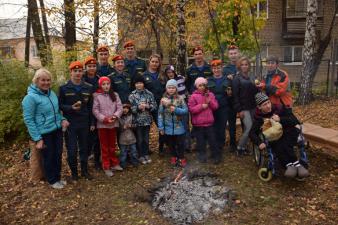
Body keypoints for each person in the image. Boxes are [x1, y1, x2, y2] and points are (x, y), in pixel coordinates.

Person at [22, 68, 69, 189]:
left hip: (57, 130)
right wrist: (38, 138)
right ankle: (52, 180)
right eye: (43, 80)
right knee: (49, 156)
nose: (46, 83)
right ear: (36, 81)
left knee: (58, 155)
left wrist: (62, 119)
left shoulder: (51, 93)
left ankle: (57, 177)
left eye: (48, 80)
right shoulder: (30, 98)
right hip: (44, 134)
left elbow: (56, 112)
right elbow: (29, 120)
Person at [250, 92, 309, 178]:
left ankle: (295, 165)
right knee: (276, 143)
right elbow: (252, 133)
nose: (268, 106)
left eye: (268, 103)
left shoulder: (280, 108)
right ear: (259, 107)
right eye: (264, 105)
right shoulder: (259, 118)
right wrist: (259, 142)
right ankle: (290, 166)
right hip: (275, 138)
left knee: (284, 141)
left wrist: (280, 119)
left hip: (289, 132)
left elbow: (294, 120)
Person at [59, 61, 94, 181]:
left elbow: (91, 107)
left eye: (80, 71)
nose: (78, 73)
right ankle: (74, 173)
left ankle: (85, 171)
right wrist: (70, 108)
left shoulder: (88, 87)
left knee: (84, 148)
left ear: (82, 72)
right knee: (72, 150)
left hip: (84, 123)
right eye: (75, 71)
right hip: (71, 124)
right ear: (71, 73)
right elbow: (60, 105)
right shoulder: (63, 88)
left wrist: (92, 123)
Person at [92, 76, 123, 176]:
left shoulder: (115, 95)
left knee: (112, 145)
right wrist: (104, 119)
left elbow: (120, 107)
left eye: (107, 84)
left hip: (113, 124)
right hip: (102, 126)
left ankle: (114, 163)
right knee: (104, 147)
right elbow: (95, 110)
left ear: (110, 84)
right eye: (103, 84)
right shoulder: (97, 96)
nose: (106, 86)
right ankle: (106, 166)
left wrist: (115, 116)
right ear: (100, 85)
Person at [188, 77, 219, 164]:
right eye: (200, 85)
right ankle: (202, 157)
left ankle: (215, 156)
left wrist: (210, 102)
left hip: (209, 123)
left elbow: (216, 107)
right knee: (200, 142)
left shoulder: (210, 95)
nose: (202, 87)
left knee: (213, 141)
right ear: (196, 86)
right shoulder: (193, 96)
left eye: (203, 85)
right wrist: (201, 106)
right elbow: (191, 109)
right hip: (198, 125)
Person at [158, 79, 189, 167]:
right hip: (168, 127)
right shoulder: (163, 100)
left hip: (179, 126)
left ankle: (181, 157)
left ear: (176, 89)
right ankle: (173, 156)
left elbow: (186, 111)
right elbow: (160, 114)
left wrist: (176, 109)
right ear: (166, 89)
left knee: (180, 144)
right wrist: (161, 127)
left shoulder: (180, 99)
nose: (171, 89)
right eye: (169, 88)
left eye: (173, 88)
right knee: (171, 144)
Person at [232, 57, 258, 156]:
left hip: (253, 107)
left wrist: (259, 86)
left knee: (253, 127)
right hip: (244, 108)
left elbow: (255, 92)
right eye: (242, 64)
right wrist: (239, 110)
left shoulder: (252, 77)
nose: (244, 66)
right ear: (239, 66)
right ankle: (239, 148)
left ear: (249, 66)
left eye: (246, 64)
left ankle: (244, 147)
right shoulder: (237, 78)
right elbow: (235, 96)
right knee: (249, 127)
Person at [128, 75, 157, 165]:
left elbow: (155, 105)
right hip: (137, 121)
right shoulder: (132, 95)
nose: (139, 85)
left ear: (143, 84)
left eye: (140, 83)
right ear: (134, 84)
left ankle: (146, 154)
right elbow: (130, 109)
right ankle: (140, 155)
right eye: (137, 83)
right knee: (139, 139)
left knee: (146, 138)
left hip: (147, 120)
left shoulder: (149, 94)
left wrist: (149, 106)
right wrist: (138, 108)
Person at [143, 54, 166, 154]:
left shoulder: (162, 75)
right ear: (149, 62)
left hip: (160, 104)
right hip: (148, 105)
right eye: (153, 61)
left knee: (161, 125)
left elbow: (167, 89)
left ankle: (161, 147)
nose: (155, 63)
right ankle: (145, 149)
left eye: (157, 62)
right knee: (146, 127)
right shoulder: (143, 76)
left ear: (159, 63)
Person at [164, 65, 190, 152]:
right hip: (172, 105)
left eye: (171, 72)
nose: (170, 74)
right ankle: (175, 146)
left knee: (185, 124)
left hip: (182, 102)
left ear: (174, 72)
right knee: (175, 125)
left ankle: (186, 145)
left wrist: (187, 95)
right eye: (168, 73)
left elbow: (186, 85)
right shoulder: (167, 82)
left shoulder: (180, 78)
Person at [207, 59, 231, 155]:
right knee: (212, 127)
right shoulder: (208, 80)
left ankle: (220, 147)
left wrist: (230, 94)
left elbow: (231, 93)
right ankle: (213, 146)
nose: (216, 70)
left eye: (218, 68)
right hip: (211, 108)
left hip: (223, 108)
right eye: (214, 68)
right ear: (212, 69)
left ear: (222, 68)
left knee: (221, 127)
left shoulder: (227, 80)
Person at [83, 56, 101, 169]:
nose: (92, 68)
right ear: (86, 67)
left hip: (98, 109)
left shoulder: (99, 79)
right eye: (89, 66)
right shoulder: (82, 79)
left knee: (97, 137)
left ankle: (97, 160)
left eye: (94, 66)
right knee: (87, 137)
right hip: (86, 110)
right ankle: (87, 157)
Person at [222, 45, 240, 152]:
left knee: (244, 122)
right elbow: (224, 83)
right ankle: (232, 144)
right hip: (230, 100)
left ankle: (244, 143)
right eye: (231, 53)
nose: (233, 55)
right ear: (228, 55)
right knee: (231, 123)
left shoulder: (242, 65)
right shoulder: (225, 69)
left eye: (235, 53)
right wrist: (228, 81)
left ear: (238, 53)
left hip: (242, 99)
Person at [118, 103, 139, 168]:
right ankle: (123, 164)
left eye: (127, 108)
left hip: (131, 138)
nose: (125, 110)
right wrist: (122, 128)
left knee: (134, 152)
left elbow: (136, 125)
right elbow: (117, 129)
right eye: (124, 108)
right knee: (123, 153)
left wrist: (131, 126)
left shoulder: (132, 116)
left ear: (129, 109)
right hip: (122, 139)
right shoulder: (118, 118)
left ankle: (135, 163)